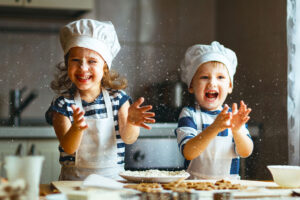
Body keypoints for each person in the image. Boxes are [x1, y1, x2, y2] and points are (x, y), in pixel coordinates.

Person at [45, 19, 155, 180]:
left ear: (105, 67)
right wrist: (76, 129)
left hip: (113, 183)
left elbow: (129, 138)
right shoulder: (63, 104)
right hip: (74, 184)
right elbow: (68, 148)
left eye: (92, 61)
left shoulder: (119, 99)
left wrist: (131, 122)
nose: (83, 68)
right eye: (75, 60)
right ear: (67, 64)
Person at [175, 41, 253, 180]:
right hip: (195, 189)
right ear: (191, 85)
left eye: (220, 77)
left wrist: (236, 130)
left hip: (228, 189)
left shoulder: (233, 117)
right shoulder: (189, 114)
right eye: (205, 77)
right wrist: (215, 127)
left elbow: (246, 152)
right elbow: (188, 152)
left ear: (230, 86)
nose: (212, 83)